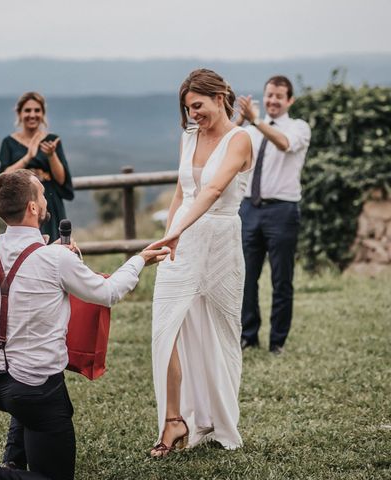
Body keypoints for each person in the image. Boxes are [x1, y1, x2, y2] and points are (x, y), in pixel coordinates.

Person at [0, 170, 168, 480]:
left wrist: (54, 253)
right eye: (41, 193)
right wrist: (140, 259)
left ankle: (12, 463)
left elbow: (22, 270)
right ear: (33, 208)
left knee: (28, 407)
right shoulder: (55, 259)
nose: (45, 197)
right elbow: (108, 293)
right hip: (33, 388)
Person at [146, 69, 253, 454]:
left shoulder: (240, 139)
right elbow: (182, 191)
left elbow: (211, 190)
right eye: (188, 108)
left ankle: (217, 420)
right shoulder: (188, 136)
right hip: (181, 243)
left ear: (220, 95)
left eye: (198, 105)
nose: (193, 115)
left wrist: (178, 229)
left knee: (221, 333)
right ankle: (174, 420)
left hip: (221, 241)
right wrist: (169, 236)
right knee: (165, 329)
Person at [235, 76, 311, 355]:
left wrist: (256, 122)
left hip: (282, 210)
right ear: (263, 96)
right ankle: (248, 335)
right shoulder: (251, 130)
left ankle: (277, 341)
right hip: (249, 208)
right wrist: (241, 122)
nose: (273, 101)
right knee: (245, 276)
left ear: (289, 100)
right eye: (269, 95)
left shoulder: (298, 127)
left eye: (279, 96)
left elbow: (283, 143)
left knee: (281, 279)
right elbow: (223, 149)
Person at [0, 92, 73, 242]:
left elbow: (61, 179)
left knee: (55, 245)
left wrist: (52, 155)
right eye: (27, 110)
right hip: (22, 204)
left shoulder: (52, 140)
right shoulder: (9, 142)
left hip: (49, 200)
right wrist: (28, 157)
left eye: (37, 110)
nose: (32, 114)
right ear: (19, 114)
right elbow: (3, 178)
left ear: (43, 114)